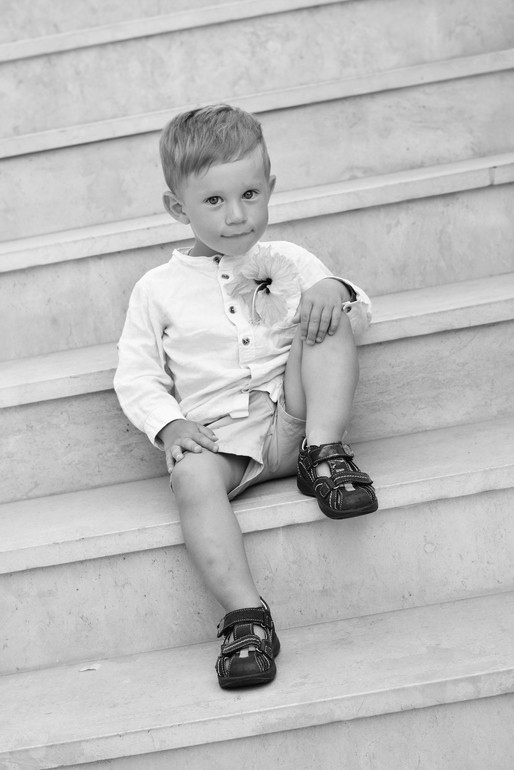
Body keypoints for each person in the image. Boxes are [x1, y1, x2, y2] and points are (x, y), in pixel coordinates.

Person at [114, 104, 378, 690]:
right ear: (177, 208)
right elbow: (135, 373)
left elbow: (358, 319)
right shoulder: (157, 289)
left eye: (250, 194)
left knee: (327, 313)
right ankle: (246, 618)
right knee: (189, 478)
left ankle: (325, 455)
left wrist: (335, 289)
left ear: (270, 189)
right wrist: (169, 425)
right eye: (214, 200)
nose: (237, 215)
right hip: (224, 440)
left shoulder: (292, 260)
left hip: (298, 415)